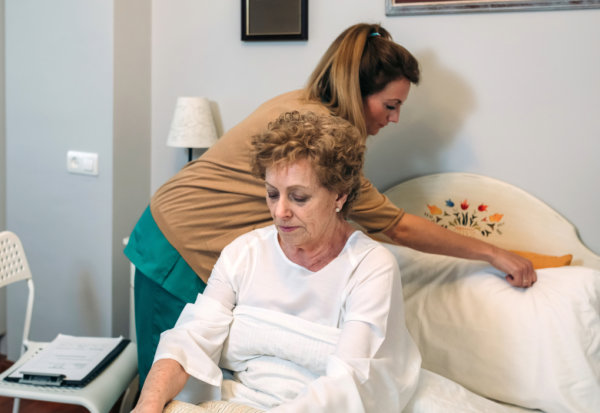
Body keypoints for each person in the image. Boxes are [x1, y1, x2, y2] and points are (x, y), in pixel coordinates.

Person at [125, 22, 535, 388]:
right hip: (178, 236)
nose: (393, 120)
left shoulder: (306, 107)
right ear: (358, 93)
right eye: (390, 106)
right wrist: (493, 252)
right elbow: (399, 226)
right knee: (168, 378)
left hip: (185, 227)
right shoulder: (316, 137)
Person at [131, 111, 422, 412]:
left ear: (339, 195)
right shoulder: (244, 253)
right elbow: (190, 338)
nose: (279, 211)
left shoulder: (370, 267)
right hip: (237, 401)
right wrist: (147, 405)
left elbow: (348, 381)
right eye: (272, 194)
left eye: (298, 197)